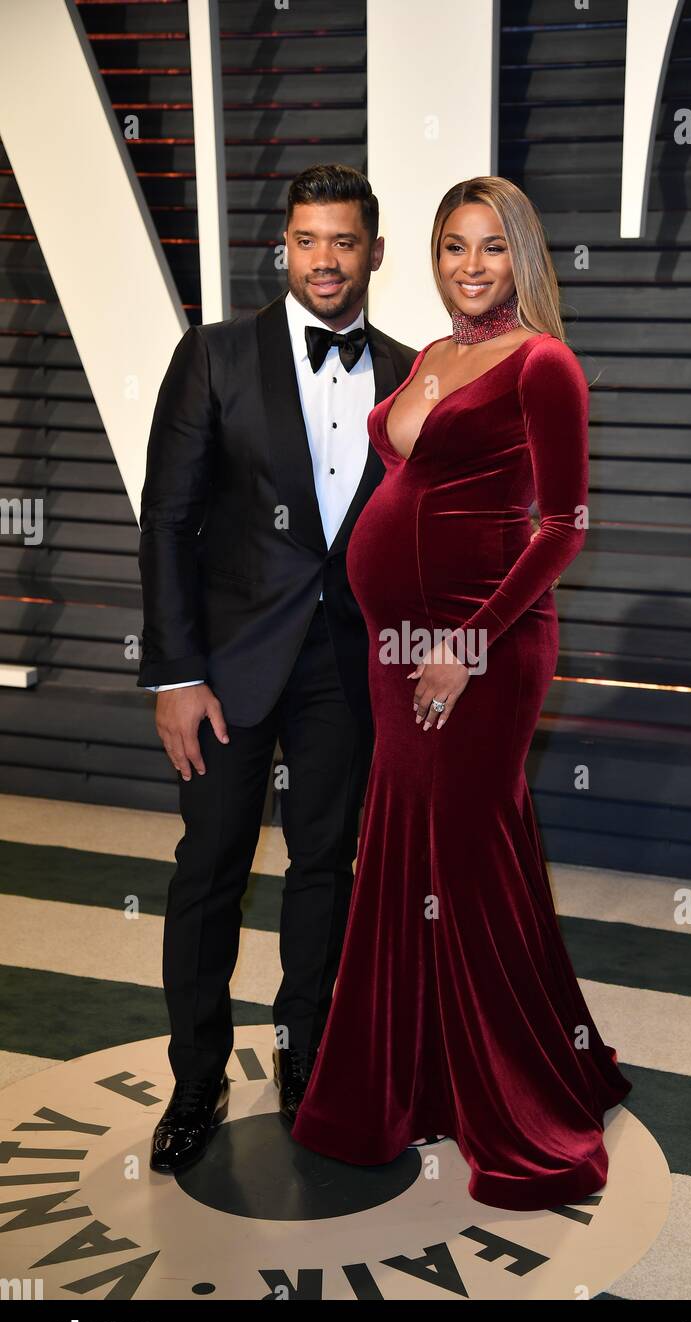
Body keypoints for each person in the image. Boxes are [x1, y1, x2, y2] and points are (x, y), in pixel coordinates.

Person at [292, 176, 632, 1211]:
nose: (470, 266)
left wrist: (465, 644)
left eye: (490, 247)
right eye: (452, 247)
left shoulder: (544, 365)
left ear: (519, 257)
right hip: (399, 652)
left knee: (467, 865)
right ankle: (411, 1079)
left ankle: (522, 1100)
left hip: (480, 654)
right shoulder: (433, 355)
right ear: (429, 256)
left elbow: (561, 524)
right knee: (411, 854)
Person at [137, 164, 417, 1173]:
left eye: (344, 241)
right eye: (307, 240)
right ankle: (195, 1080)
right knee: (208, 872)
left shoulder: (405, 371)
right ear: (283, 247)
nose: (325, 260)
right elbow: (167, 520)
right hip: (222, 671)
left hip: (342, 669)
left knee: (325, 872)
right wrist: (173, 674)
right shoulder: (213, 356)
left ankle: (308, 1063)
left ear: (373, 252)